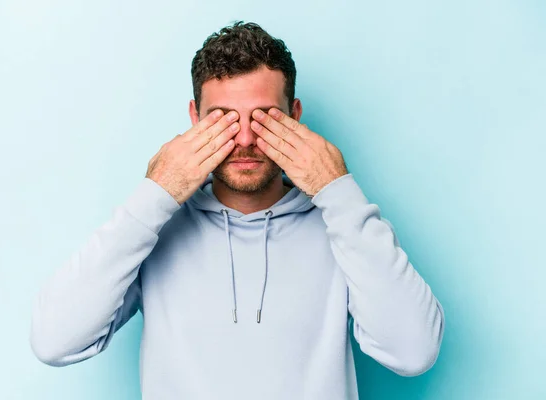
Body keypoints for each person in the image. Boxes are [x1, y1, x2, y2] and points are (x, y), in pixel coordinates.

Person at [30, 20, 445, 400]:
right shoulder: (156, 228)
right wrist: (155, 194)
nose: (245, 138)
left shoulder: (343, 226)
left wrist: (338, 191)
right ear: (195, 118)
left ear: (294, 116)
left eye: (264, 117)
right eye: (223, 120)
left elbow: (413, 352)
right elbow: (54, 341)